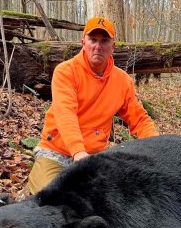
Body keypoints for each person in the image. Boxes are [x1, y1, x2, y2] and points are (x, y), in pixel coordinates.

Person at [27, 16, 158, 194]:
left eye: (104, 41)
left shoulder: (122, 81)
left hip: (94, 158)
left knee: (108, 203)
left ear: (113, 46)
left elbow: (140, 120)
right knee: (51, 202)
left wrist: (158, 147)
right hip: (56, 152)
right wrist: (78, 153)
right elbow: (65, 114)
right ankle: (27, 194)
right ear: (83, 42)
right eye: (93, 40)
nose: (98, 46)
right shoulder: (66, 71)